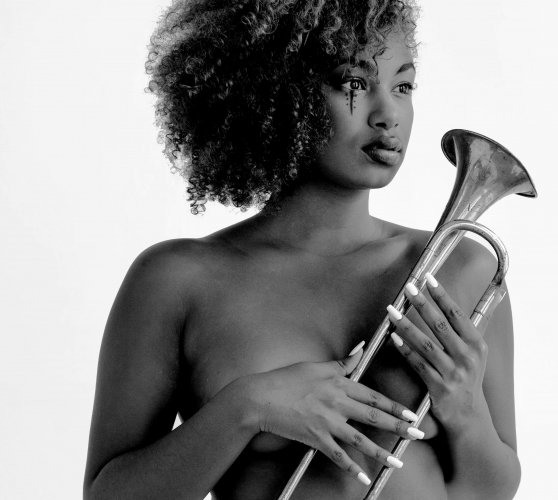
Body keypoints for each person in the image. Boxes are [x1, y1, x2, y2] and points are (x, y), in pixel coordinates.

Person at [83, 1, 521, 499]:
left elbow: (490, 491)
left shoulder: (463, 267)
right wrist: (250, 406)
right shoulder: (175, 280)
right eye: (354, 83)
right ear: (276, 91)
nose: (388, 115)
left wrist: (465, 409)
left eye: (403, 86)